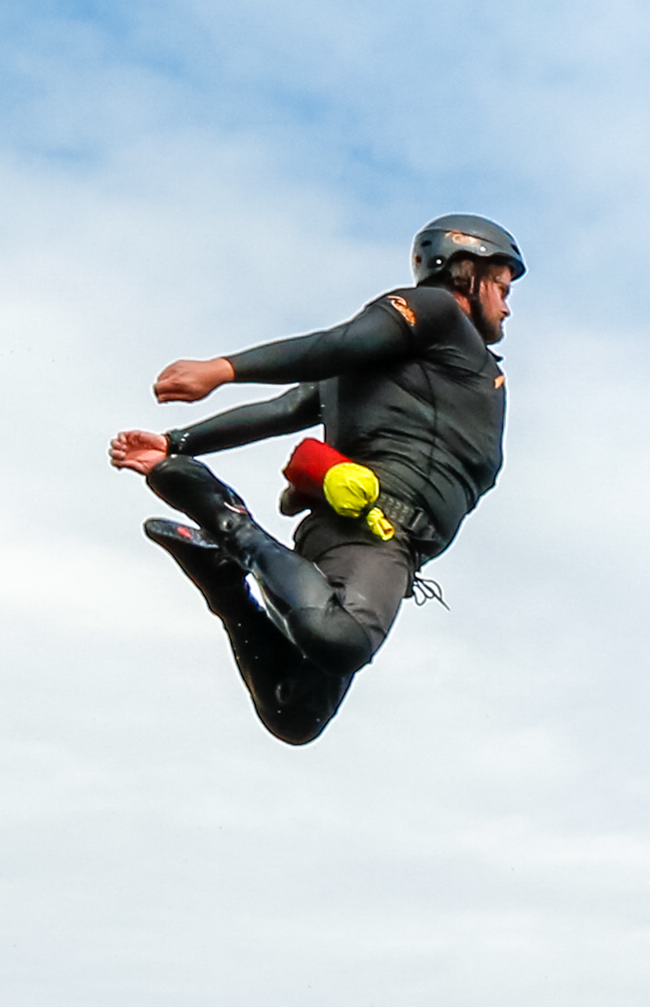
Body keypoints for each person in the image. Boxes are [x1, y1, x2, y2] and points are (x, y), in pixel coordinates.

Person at [102, 213, 521, 746]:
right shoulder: (435, 312)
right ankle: (227, 522)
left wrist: (177, 441)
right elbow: (333, 348)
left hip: (397, 550)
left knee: (295, 713)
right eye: (502, 288)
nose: (507, 306)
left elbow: (289, 407)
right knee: (340, 639)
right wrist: (222, 370)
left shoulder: (444, 367)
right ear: (464, 271)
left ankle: (224, 581)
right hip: (372, 527)